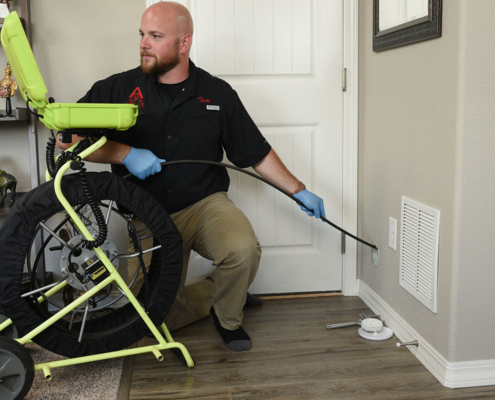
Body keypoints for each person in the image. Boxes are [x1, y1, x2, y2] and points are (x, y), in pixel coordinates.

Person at [57, 1, 325, 352]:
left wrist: (299, 190)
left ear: (184, 44)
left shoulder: (218, 94)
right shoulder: (117, 89)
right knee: (149, 319)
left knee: (242, 249)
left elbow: (254, 152)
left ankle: (228, 316)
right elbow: (67, 142)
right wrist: (125, 153)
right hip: (144, 214)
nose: (143, 43)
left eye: (155, 36)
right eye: (142, 34)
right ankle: (224, 291)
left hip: (204, 205)